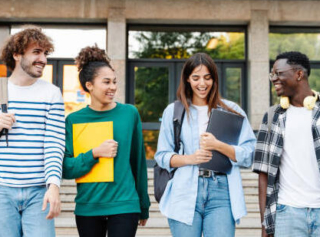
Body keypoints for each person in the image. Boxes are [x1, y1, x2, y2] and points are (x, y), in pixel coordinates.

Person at [154, 52, 256, 237]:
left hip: (221, 191)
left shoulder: (231, 111)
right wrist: (190, 158)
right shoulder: (174, 111)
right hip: (184, 190)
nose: (202, 84)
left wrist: (219, 145)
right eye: (196, 78)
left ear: (214, 79)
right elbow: (161, 156)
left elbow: (250, 154)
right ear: (187, 79)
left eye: (207, 78)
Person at [62, 45, 150, 237]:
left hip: (125, 204)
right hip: (88, 207)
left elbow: (138, 162)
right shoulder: (73, 120)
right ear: (89, 85)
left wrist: (144, 205)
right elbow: (66, 168)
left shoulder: (129, 114)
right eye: (106, 82)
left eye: (114, 82)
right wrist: (94, 153)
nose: (113, 87)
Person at [0, 26, 65, 237]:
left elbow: (54, 143)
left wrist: (53, 185)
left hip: (39, 191)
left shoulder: (52, 93)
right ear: (17, 54)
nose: (43, 59)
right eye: (36, 52)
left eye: (45, 53)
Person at [253, 51, 320, 237]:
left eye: (279, 73)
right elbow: (263, 174)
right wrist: (264, 225)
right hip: (287, 213)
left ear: (299, 74)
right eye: (272, 74)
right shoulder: (272, 116)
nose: (274, 79)